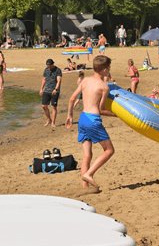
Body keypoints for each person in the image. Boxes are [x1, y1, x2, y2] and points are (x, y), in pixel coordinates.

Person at [65, 55, 116, 192]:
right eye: (109, 67)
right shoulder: (104, 87)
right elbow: (101, 110)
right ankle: (89, 174)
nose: (109, 70)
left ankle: (85, 187)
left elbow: (71, 99)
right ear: (104, 70)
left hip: (82, 119)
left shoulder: (85, 80)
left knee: (87, 155)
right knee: (109, 150)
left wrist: (69, 116)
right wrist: (116, 114)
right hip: (93, 120)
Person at [40, 58, 62, 127]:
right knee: (44, 106)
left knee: (54, 107)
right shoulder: (46, 70)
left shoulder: (58, 70)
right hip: (46, 90)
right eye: (47, 65)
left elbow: (59, 81)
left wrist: (56, 89)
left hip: (54, 91)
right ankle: (49, 119)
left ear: (52, 64)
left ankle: (53, 122)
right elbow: (44, 79)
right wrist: (41, 89)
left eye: (49, 65)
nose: (48, 67)